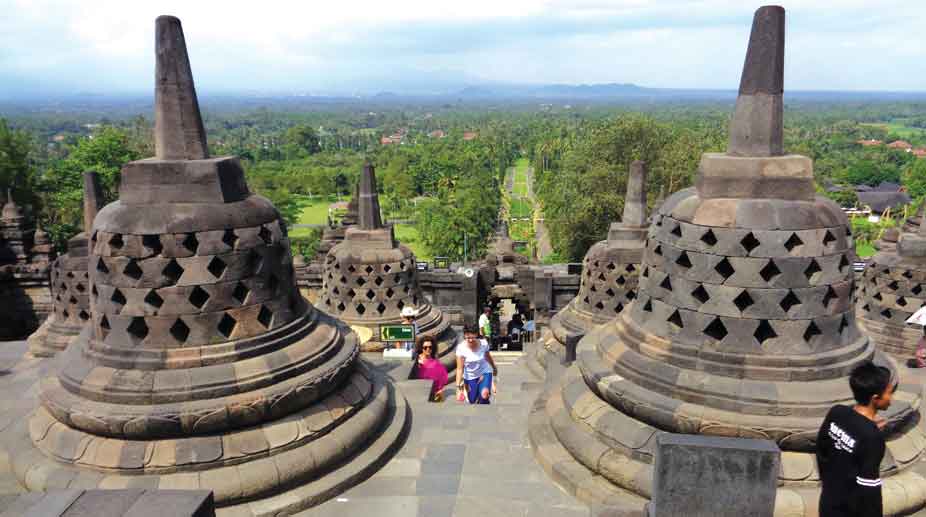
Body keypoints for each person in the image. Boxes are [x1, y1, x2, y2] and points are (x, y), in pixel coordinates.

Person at [816, 361, 896, 517]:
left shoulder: (837, 412)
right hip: (850, 510)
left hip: (828, 500)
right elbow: (869, 487)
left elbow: (821, 450)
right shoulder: (872, 437)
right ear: (875, 398)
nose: (891, 398)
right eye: (889, 393)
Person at [455, 326, 498, 404]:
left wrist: (494, 368)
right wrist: (458, 388)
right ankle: (479, 398)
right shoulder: (461, 348)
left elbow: (488, 357)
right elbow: (459, 369)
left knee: (484, 395)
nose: (470, 340)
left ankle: (485, 405)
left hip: (484, 372)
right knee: (472, 400)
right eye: (468, 338)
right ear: (464, 336)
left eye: (473, 337)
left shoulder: (483, 343)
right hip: (470, 376)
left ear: (476, 335)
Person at [414, 335, 448, 402]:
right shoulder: (416, 360)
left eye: (430, 347)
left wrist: (439, 391)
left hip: (434, 393)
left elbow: (442, 378)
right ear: (421, 348)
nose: (428, 349)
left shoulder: (436, 363)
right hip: (419, 392)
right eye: (425, 347)